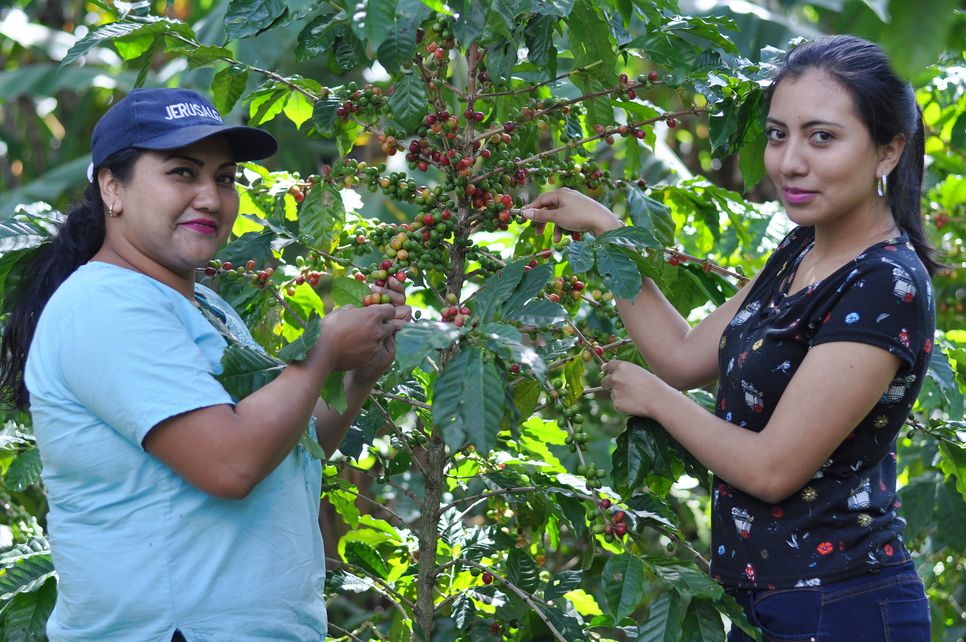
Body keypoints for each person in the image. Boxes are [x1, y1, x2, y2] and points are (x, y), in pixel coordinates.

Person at [523, 35, 935, 641]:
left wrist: (657, 401)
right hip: (758, 602)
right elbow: (685, 355)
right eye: (778, 134)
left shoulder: (885, 283)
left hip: (843, 606)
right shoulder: (802, 248)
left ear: (888, 151)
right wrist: (605, 234)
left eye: (822, 137)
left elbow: (772, 469)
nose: (790, 161)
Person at [0, 87, 410, 642]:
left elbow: (286, 445)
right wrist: (322, 354)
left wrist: (356, 376)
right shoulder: (104, 306)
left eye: (224, 177)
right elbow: (229, 465)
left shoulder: (205, 305)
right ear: (112, 187)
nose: (211, 198)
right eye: (182, 172)